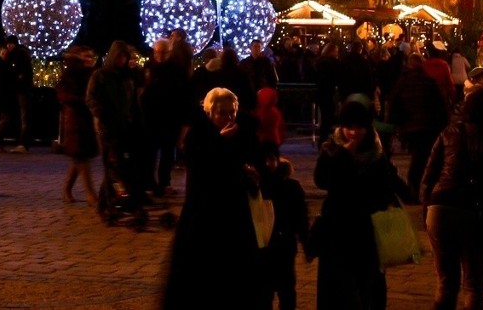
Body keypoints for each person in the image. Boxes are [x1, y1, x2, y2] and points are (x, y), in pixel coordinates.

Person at [161, 87, 268, 309]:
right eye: (222, 113)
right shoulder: (198, 135)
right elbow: (202, 169)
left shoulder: (243, 133)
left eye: (232, 112)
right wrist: (220, 142)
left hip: (234, 211)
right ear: (210, 113)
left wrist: (254, 173)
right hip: (204, 213)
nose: (228, 118)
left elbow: (255, 160)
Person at [311, 92, 407, 310]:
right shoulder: (332, 148)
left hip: (365, 232)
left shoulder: (376, 153)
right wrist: (343, 157)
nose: (354, 132)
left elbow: (382, 190)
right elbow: (322, 180)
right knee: (336, 291)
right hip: (336, 232)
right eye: (348, 126)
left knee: (365, 291)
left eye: (359, 127)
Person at [420, 84, 483, 310]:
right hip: (479, 212)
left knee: (446, 282)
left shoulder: (450, 132)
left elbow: (429, 174)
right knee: (474, 285)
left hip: (441, 209)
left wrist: (427, 206)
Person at [86, 40, 149, 221]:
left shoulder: (127, 77)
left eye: (125, 56)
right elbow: (91, 98)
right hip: (108, 126)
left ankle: (105, 203)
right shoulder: (100, 75)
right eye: (120, 56)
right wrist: (101, 114)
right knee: (112, 165)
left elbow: (133, 102)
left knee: (119, 166)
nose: (123, 60)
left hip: (125, 126)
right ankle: (108, 203)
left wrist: (138, 121)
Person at [389, 51, 449, 200]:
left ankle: (414, 187)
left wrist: (397, 124)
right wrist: (443, 124)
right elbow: (440, 105)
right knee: (423, 158)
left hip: (410, 126)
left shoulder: (402, 82)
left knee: (418, 156)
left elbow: (394, 104)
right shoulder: (428, 81)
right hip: (427, 126)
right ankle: (419, 187)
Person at [259, 139, 311, 310]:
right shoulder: (253, 187)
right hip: (261, 249)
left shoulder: (291, 187)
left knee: (287, 291)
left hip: (284, 248)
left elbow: (301, 217)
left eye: (271, 158)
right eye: (263, 159)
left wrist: (306, 242)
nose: (267, 163)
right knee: (263, 293)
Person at [140, 36, 189, 196]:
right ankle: (148, 183)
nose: (160, 56)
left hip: (170, 117)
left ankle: (164, 182)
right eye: (157, 52)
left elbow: (183, 95)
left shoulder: (177, 69)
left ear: (169, 52)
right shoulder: (148, 67)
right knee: (149, 153)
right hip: (151, 117)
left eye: (164, 53)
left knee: (168, 153)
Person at [55, 45, 99, 205]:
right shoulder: (70, 73)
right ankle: (90, 194)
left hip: (88, 118)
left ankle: (67, 189)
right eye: (85, 57)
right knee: (81, 156)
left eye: (91, 56)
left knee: (80, 157)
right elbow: (62, 93)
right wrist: (81, 101)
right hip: (75, 118)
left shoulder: (92, 74)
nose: (89, 59)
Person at [6, 35, 34, 152]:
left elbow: (20, 72)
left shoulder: (18, 55)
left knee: (24, 117)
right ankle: (23, 143)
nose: (8, 46)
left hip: (22, 89)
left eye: (9, 44)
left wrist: (18, 78)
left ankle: (23, 143)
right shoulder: (21, 53)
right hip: (24, 89)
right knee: (24, 116)